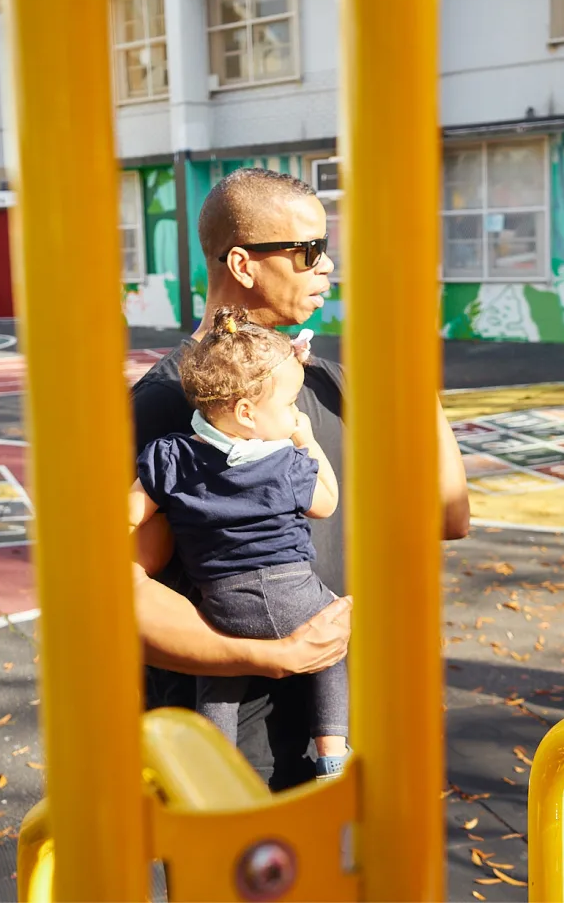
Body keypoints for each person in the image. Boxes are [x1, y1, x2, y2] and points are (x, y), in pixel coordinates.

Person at [130, 167, 472, 789]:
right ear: (243, 264)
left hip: (338, 736)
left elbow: (447, 517)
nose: (327, 267)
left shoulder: (323, 382)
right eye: (309, 251)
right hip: (233, 758)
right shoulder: (167, 405)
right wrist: (272, 656)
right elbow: (120, 595)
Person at [131, 306, 349, 779]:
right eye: (290, 404)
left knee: (216, 684)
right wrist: (307, 440)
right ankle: (333, 752)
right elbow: (327, 502)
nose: (295, 413)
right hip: (295, 595)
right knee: (333, 643)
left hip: (222, 605)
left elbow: (128, 514)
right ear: (247, 413)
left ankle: (214, 768)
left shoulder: (172, 456)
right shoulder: (283, 464)